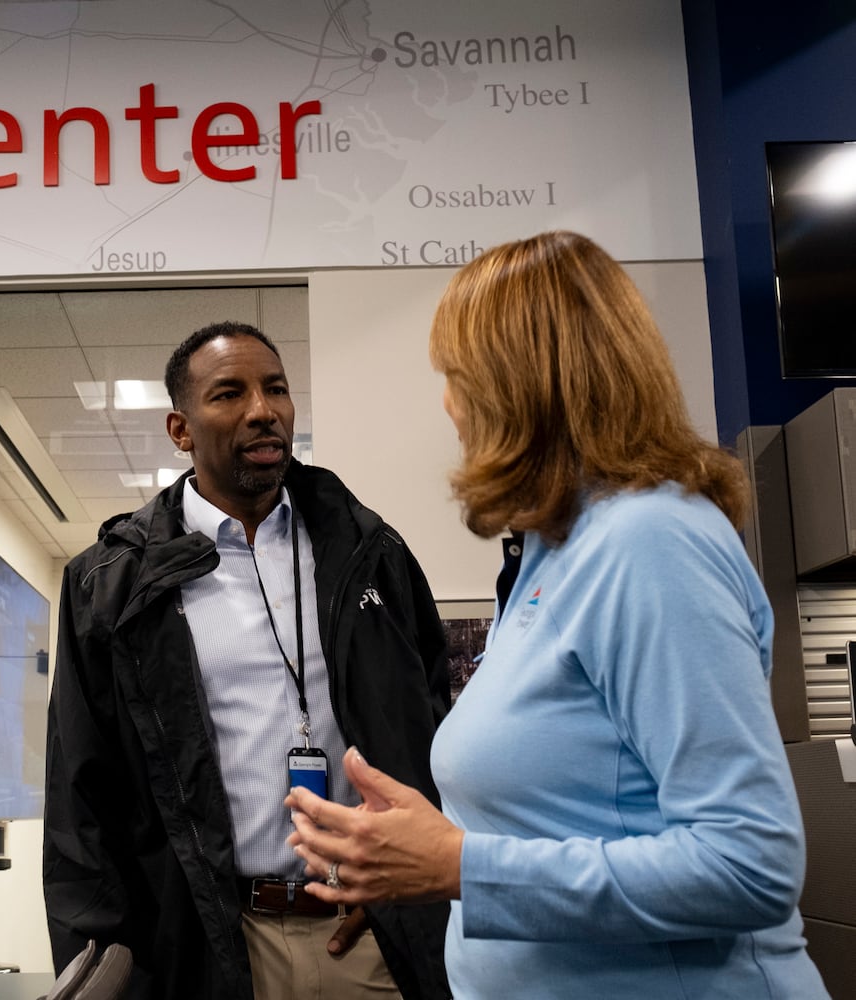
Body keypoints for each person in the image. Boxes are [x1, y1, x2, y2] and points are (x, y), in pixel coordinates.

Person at [285, 231, 830, 998]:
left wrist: (460, 864)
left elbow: (749, 862)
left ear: (517, 384)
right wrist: (434, 843)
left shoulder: (651, 540)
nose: (447, 403)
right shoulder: (553, 550)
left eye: (455, 375)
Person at [44, 321, 452, 1000]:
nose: (262, 410)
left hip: (370, 935)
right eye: (229, 393)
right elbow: (82, 799)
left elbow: (431, 727)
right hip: (215, 944)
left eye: (277, 389)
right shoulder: (113, 583)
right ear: (181, 429)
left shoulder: (367, 550)